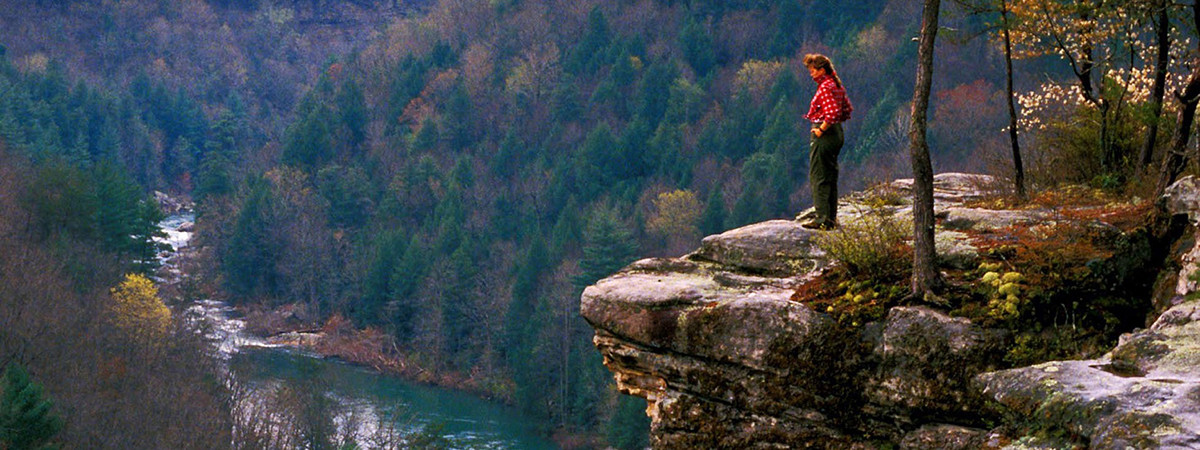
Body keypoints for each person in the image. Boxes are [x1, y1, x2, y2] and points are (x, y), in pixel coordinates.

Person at [800, 53, 852, 230]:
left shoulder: (825, 87)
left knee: (819, 176)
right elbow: (846, 109)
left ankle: (822, 218)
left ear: (822, 70)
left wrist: (820, 130)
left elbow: (832, 113)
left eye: (813, 70)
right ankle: (830, 217)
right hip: (836, 133)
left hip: (825, 134)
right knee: (830, 175)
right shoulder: (836, 85)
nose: (811, 74)